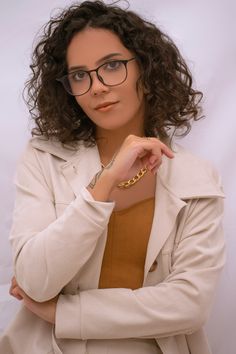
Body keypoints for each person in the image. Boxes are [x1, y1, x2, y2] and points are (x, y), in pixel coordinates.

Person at [0, 1, 225, 353]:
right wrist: (103, 185)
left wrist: (64, 312)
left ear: (146, 72)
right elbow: (34, 281)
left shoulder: (196, 177)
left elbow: (190, 304)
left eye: (112, 66)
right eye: (79, 75)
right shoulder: (43, 158)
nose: (97, 86)